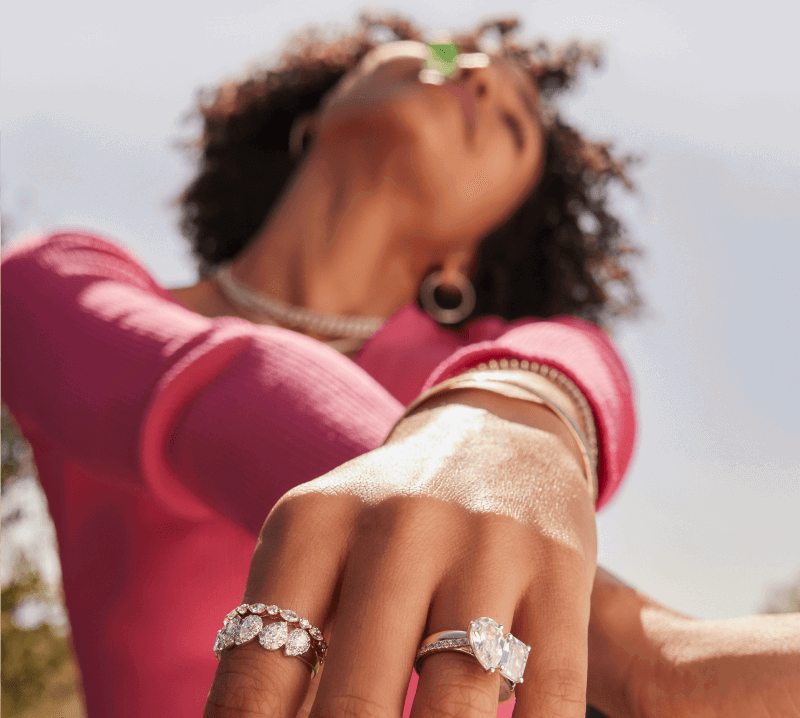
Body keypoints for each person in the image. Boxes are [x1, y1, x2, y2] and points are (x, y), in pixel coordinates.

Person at [3, 11, 796, 718]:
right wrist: (634, 655)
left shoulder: (503, 350)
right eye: (447, 51)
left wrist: (511, 405)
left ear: (466, 253)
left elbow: (573, 363)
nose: (478, 75)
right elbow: (210, 384)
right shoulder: (58, 282)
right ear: (313, 117)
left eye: (516, 124)